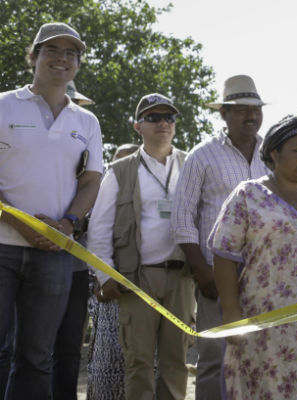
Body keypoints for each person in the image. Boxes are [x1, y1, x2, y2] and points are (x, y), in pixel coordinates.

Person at [0, 22, 103, 399]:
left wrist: (66, 224)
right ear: (33, 57)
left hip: (55, 253)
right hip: (3, 247)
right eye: (52, 50)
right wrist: (25, 225)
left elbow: (91, 181)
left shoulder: (87, 121)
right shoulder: (3, 105)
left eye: (70, 53)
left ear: (77, 63)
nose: (62, 58)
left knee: (37, 357)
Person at [210, 111, 297, 399]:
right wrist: (232, 314)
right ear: (274, 153)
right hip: (263, 324)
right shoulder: (248, 195)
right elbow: (223, 255)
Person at [87, 93, 194, 399]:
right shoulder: (120, 170)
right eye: (154, 118)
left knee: (177, 362)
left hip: (182, 277)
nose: (163, 123)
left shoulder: (190, 164)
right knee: (139, 362)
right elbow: (100, 229)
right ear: (138, 127)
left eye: (169, 118)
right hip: (136, 279)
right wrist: (105, 276)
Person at [172, 74, 270, 400]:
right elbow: (182, 217)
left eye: (255, 109)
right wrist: (202, 270)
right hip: (215, 274)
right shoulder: (201, 156)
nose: (251, 116)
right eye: (241, 109)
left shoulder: (274, 156)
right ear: (224, 113)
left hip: (267, 276)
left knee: (261, 355)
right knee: (215, 356)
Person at [85, 144, 139, 400]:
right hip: (108, 296)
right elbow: (91, 245)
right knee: (106, 366)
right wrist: (99, 280)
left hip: (146, 295)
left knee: (144, 366)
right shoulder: (98, 202)